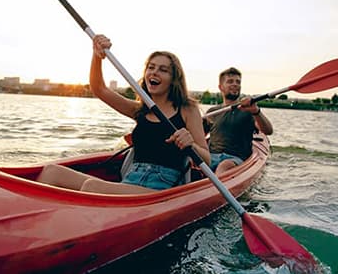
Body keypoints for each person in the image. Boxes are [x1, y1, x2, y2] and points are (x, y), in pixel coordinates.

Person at [37, 34, 210, 194]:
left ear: (174, 79)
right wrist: (97, 56)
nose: (154, 72)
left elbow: (207, 160)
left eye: (163, 70)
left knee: (91, 186)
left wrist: (191, 144)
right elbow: (99, 89)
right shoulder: (139, 110)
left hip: (162, 189)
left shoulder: (187, 109)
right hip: (131, 181)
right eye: (151, 67)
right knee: (51, 172)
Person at [203, 67, 273, 175]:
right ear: (221, 87)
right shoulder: (212, 112)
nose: (235, 84)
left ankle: (217, 188)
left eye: (238, 82)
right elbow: (199, 136)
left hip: (235, 158)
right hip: (212, 156)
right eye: (230, 81)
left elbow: (268, 130)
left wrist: (256, 111)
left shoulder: (248, 110)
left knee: (224, 166)